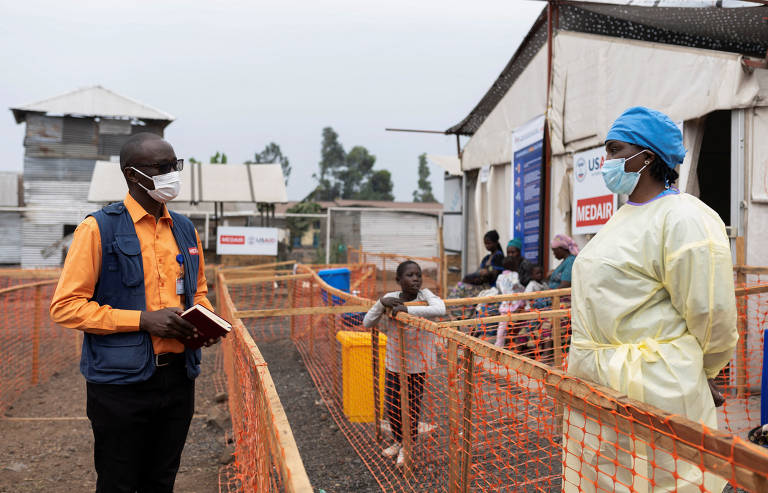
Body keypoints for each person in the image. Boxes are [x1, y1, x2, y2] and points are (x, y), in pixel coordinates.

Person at [563, 107, 738, 493]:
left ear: (646, 155)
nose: (606, 162)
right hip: (601, 385)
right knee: (607, 477)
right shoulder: (620, 219)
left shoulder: (683, 218)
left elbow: (712, 313)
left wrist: (701, 371)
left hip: (656, 387)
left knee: (662, 479)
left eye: (614, 149)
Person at [50, 133, 223, 493]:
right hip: (119, 385)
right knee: (119, 483)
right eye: (162, 168)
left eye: (175, 165)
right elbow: (66, 307)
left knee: (161, 480)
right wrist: (143, 320)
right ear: (133, 175)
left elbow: (199, 291)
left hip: (178, 380)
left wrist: (204, 321)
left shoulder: (186, 230)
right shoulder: (98, 229)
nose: (172, 174)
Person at [362, 260, 446, 467]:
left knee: (412, 406)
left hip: (417, 365)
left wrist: (408, 310)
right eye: (409, 275)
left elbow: (441, 309)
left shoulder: (425, 296)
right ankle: (399, 441)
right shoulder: (390, 299)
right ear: (398, 280)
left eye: (418, 275)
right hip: (394, 363)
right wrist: (381, 303)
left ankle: (408, 446)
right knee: (392, 405)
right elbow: (367, 323)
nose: (415, 279)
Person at [448, 230, 504, 298]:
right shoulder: (486, 258)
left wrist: (487, 272)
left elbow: (495, 275)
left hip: (491, 288)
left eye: (489, 243)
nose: (487, 246)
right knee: (461, 284)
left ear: (496, 242)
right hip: (483, 285)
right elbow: (479, 272)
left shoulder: (499, 256)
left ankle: (451, 305)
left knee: (461, 288)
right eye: (485, 244)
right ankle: (452, 305)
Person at [494, 256, 525, 347]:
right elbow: (516, 284)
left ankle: (499, 344)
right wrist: (522, 289)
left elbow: (498, 288)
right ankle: (513, 344)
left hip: (505, 303)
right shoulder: (514, 274)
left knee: (502, 326)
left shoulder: (500, 276)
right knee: (516, 325)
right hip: (515, 303)